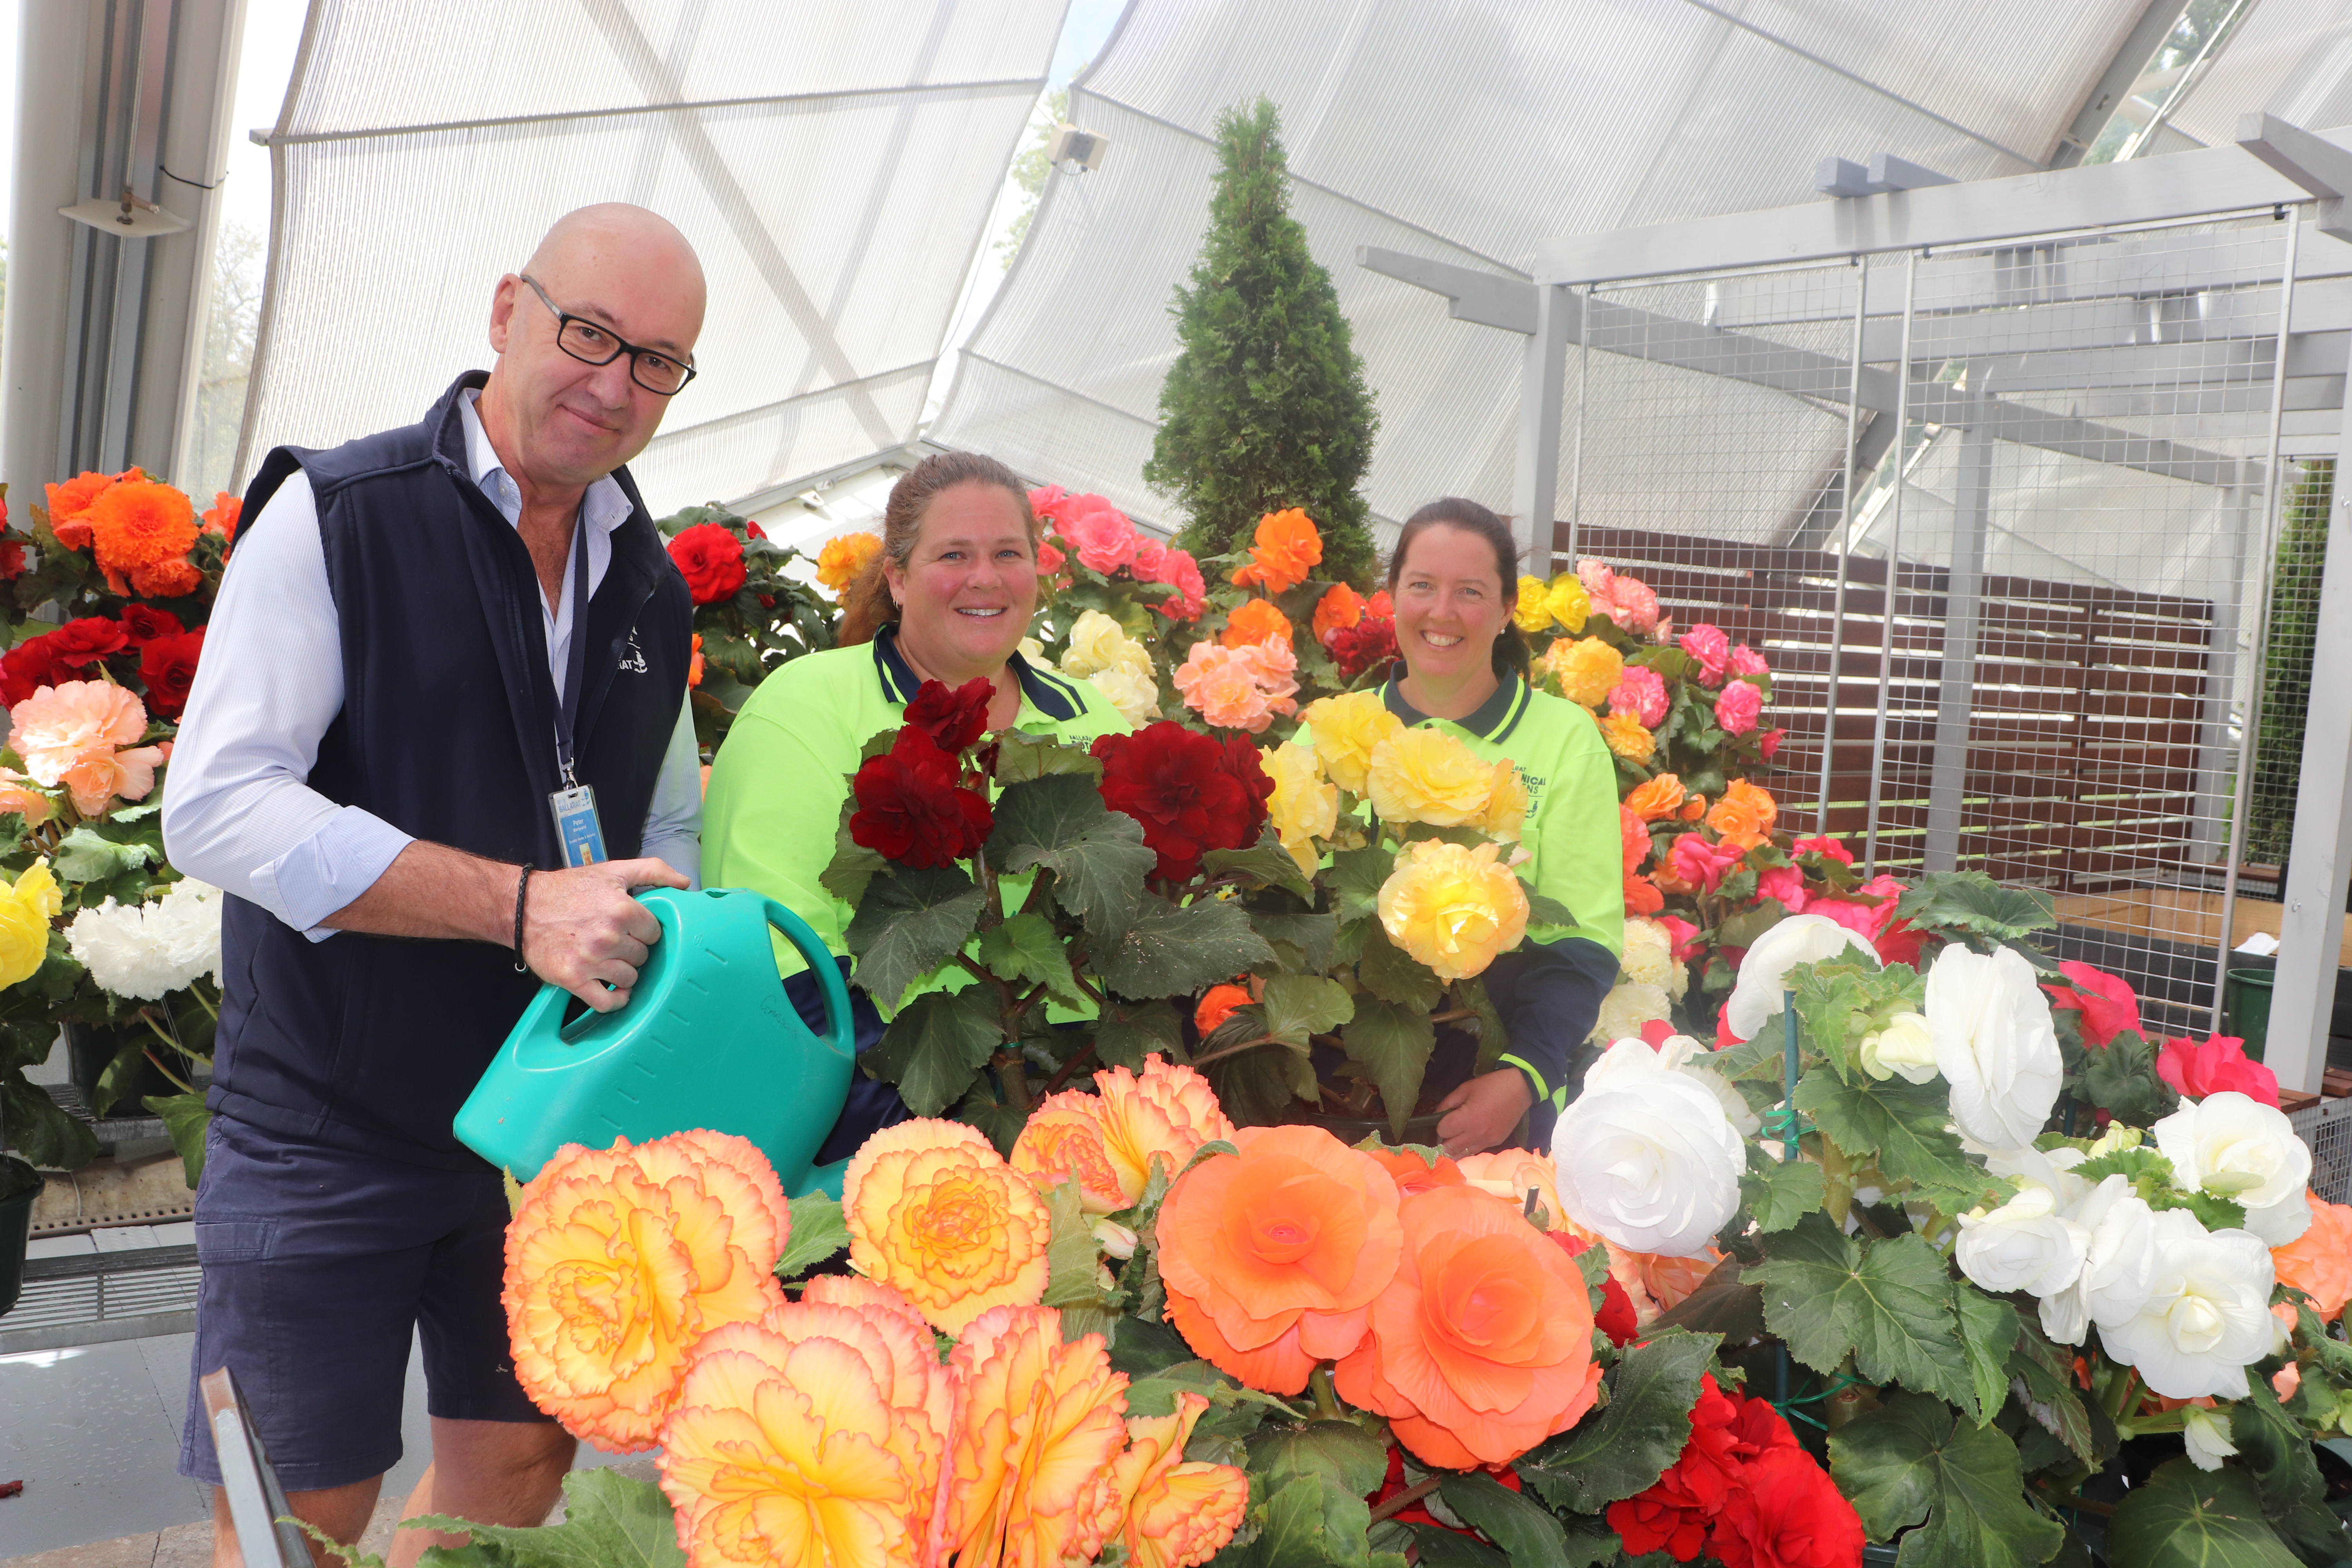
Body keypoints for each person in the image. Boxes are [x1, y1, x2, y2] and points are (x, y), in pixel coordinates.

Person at [162, 204, 708, 1568]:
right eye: (589, 333)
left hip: (543, 1121)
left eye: (657, 361)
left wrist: (661, 953)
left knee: (516, 1467)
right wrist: (519, 908)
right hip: (327, 1118)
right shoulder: (341, 516)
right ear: (507, 310)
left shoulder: (647, 578)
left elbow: (667, 818)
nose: (612, 382)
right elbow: (218, 806)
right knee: (303, 1512)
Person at [702, 452, 1129, 1151]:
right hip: (883, 1120)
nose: (984, 578)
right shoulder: (804, 707)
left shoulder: (1097, 719)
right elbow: (783, 970)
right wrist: (957, 1138)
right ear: (897, 578)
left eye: (1007, 553)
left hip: (1082, 1106)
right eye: (953, 554)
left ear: (1036, 571)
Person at [1379, 497, 1626, 1157]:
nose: (1441, 612)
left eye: (1470, 592)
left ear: (1508, 609)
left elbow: (1582, 939)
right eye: (1422, 586)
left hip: (1490, 1098)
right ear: (1394, 592)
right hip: (1345, 1085)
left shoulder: (1563, 738)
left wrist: (1521, 1080)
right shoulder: (1340, 733)